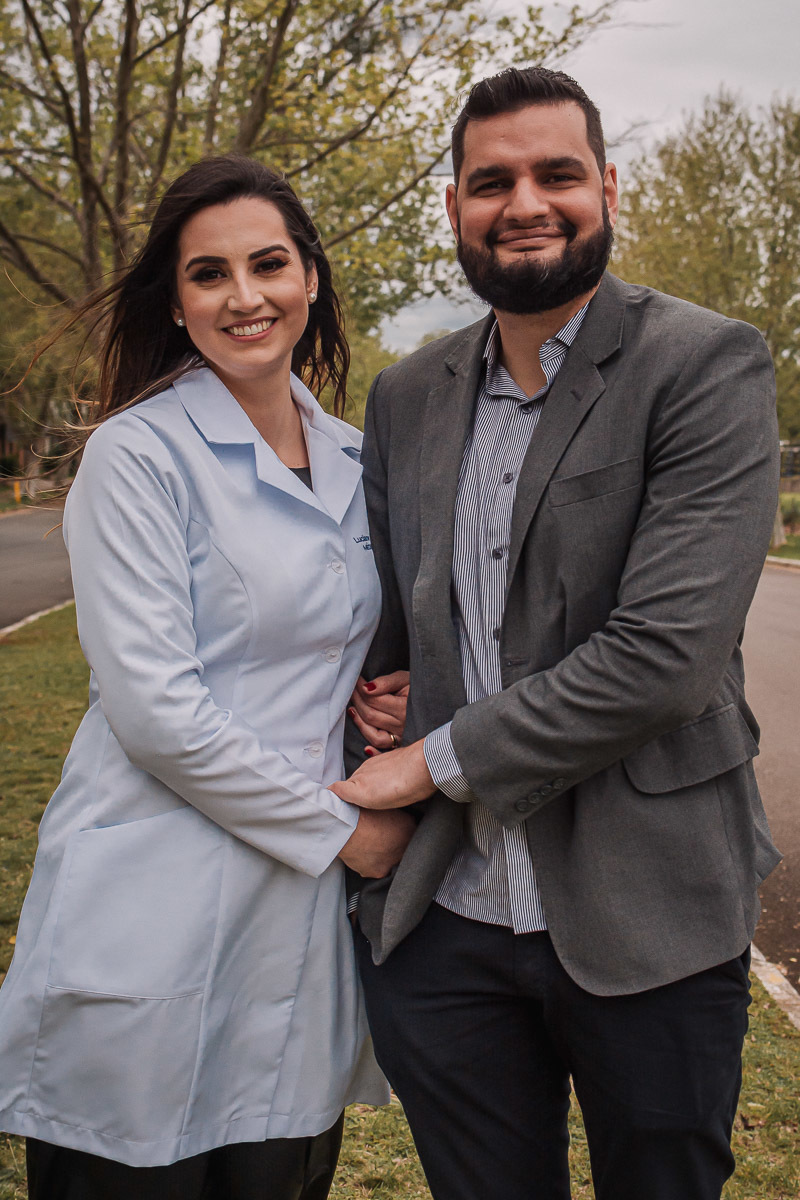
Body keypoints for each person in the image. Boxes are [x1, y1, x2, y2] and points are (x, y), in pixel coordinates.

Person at [337, 67, 781, 1200]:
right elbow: (389, 626)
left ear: (607, 189)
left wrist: (426, 759)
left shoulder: (702, 363)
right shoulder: (404, 396)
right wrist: (382, 704)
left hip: (650, 907)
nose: (524, 203)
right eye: (491, 182)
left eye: (556, 174)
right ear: (455, 206)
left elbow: (663, 659)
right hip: (447, 915)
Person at [0, 154, 414, 1199]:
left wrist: (385, 695)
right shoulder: (136, 456)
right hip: (156, 902)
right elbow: (155, 712)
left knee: (275, 1164)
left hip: (291, 934)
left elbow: (348, 639)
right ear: (176, 302)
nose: (244, 297)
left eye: (267, 264)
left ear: (309, 276)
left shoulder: (359, 457)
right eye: (208, 274)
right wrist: (348, 833)